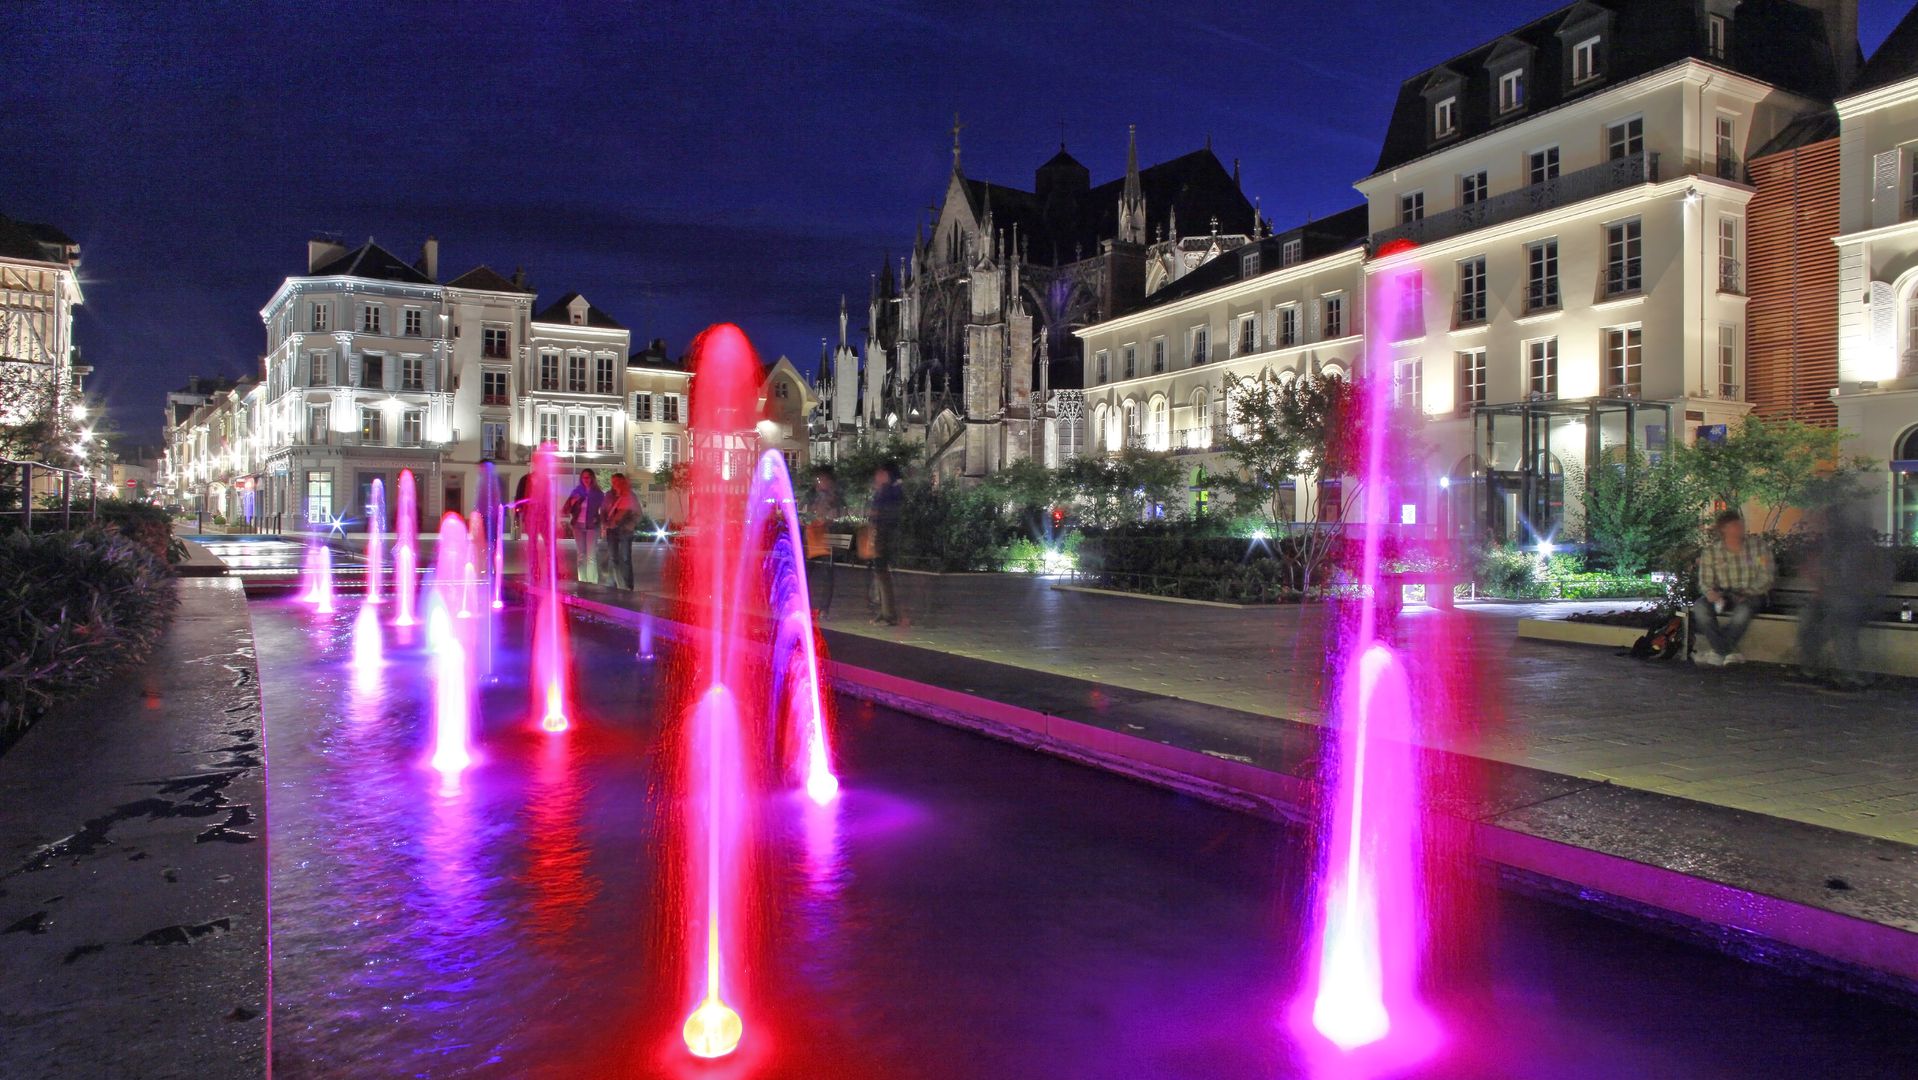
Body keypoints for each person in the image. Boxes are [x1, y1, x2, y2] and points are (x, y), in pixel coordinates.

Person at [1797, 501, 1891, 689]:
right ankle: (1809, 669)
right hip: (1835, 600)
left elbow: (1864, 582)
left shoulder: (1860, 546)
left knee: (1840, 621)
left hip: (1859, 602)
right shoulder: (1831, 545)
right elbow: (1825, 576)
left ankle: (1850, 675)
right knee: (1809, 616)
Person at [1692, 509, 1774, 666]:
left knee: (1742, 612)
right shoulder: (1712, 552)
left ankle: (1718, 651)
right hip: (1724, 595)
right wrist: (1710, 592)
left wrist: (1747, 592)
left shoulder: (1758, 548)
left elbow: (1766, 576)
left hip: (1752, 594)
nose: (1739, 528)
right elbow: (1706, 580)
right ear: (1724, 529)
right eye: (1734, 525)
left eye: (1740, 524)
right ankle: (1727, 651)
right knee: (1700, 608)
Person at [803, 465, 842, 619]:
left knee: (826, 574)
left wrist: (826, 519)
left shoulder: (834, 498)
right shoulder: (812, 496)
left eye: (823, 479)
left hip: (826, 540)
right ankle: (805, 605)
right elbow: (804, 513)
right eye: (818, 480)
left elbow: (836, 516)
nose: (820, 482)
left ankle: (824, 608)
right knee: (806, 573)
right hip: (813, 539)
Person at [866, 461, 904, 626]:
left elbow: (882, 514)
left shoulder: (889, 491)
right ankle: (885, 610)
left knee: (882, 572)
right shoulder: (888, 490)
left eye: (880, 473)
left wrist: (875, 518)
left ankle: (889, 613)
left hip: (884, 536)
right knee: (880, 573)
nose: (877, 476)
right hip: (882, 535)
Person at [561, 469, 605, 585]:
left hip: (592, 526)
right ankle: (582, 582)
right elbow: (566, 509)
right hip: (578, 526)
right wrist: (573, 501)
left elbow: (604, 510)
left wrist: (599, 519)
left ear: (592, 478)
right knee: (581, 555)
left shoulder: (598, 493)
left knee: (591, 556)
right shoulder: (577, 491)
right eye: (584, 477)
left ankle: (592, 582)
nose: (586, 480)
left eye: (588, 477)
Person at [601, 473, 641, 591]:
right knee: (614, 558)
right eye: (613, 482)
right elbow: (603, 510)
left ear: (623, 482)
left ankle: (628, 586)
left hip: (625, 530)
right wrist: (605, 523)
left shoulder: (630, 496)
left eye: (618, 481)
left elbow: (637, 514)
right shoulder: (609, 495)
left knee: (625, 558)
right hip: (612, 530)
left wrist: (630, 525)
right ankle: (614, 584)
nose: (615, 484)